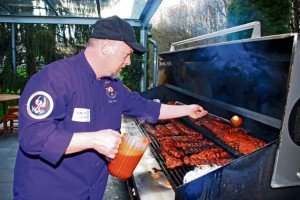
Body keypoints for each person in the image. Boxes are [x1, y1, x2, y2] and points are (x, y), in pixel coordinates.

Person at [13, 15, 208, 200]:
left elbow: (145, 107)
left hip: (90, 191)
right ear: (106, 47)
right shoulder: (55, 78)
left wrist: (187, 109)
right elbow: (32, 137)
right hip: (49, 191)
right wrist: (94, 140)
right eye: (127, 54)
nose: (129, 61)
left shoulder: (112, 86)